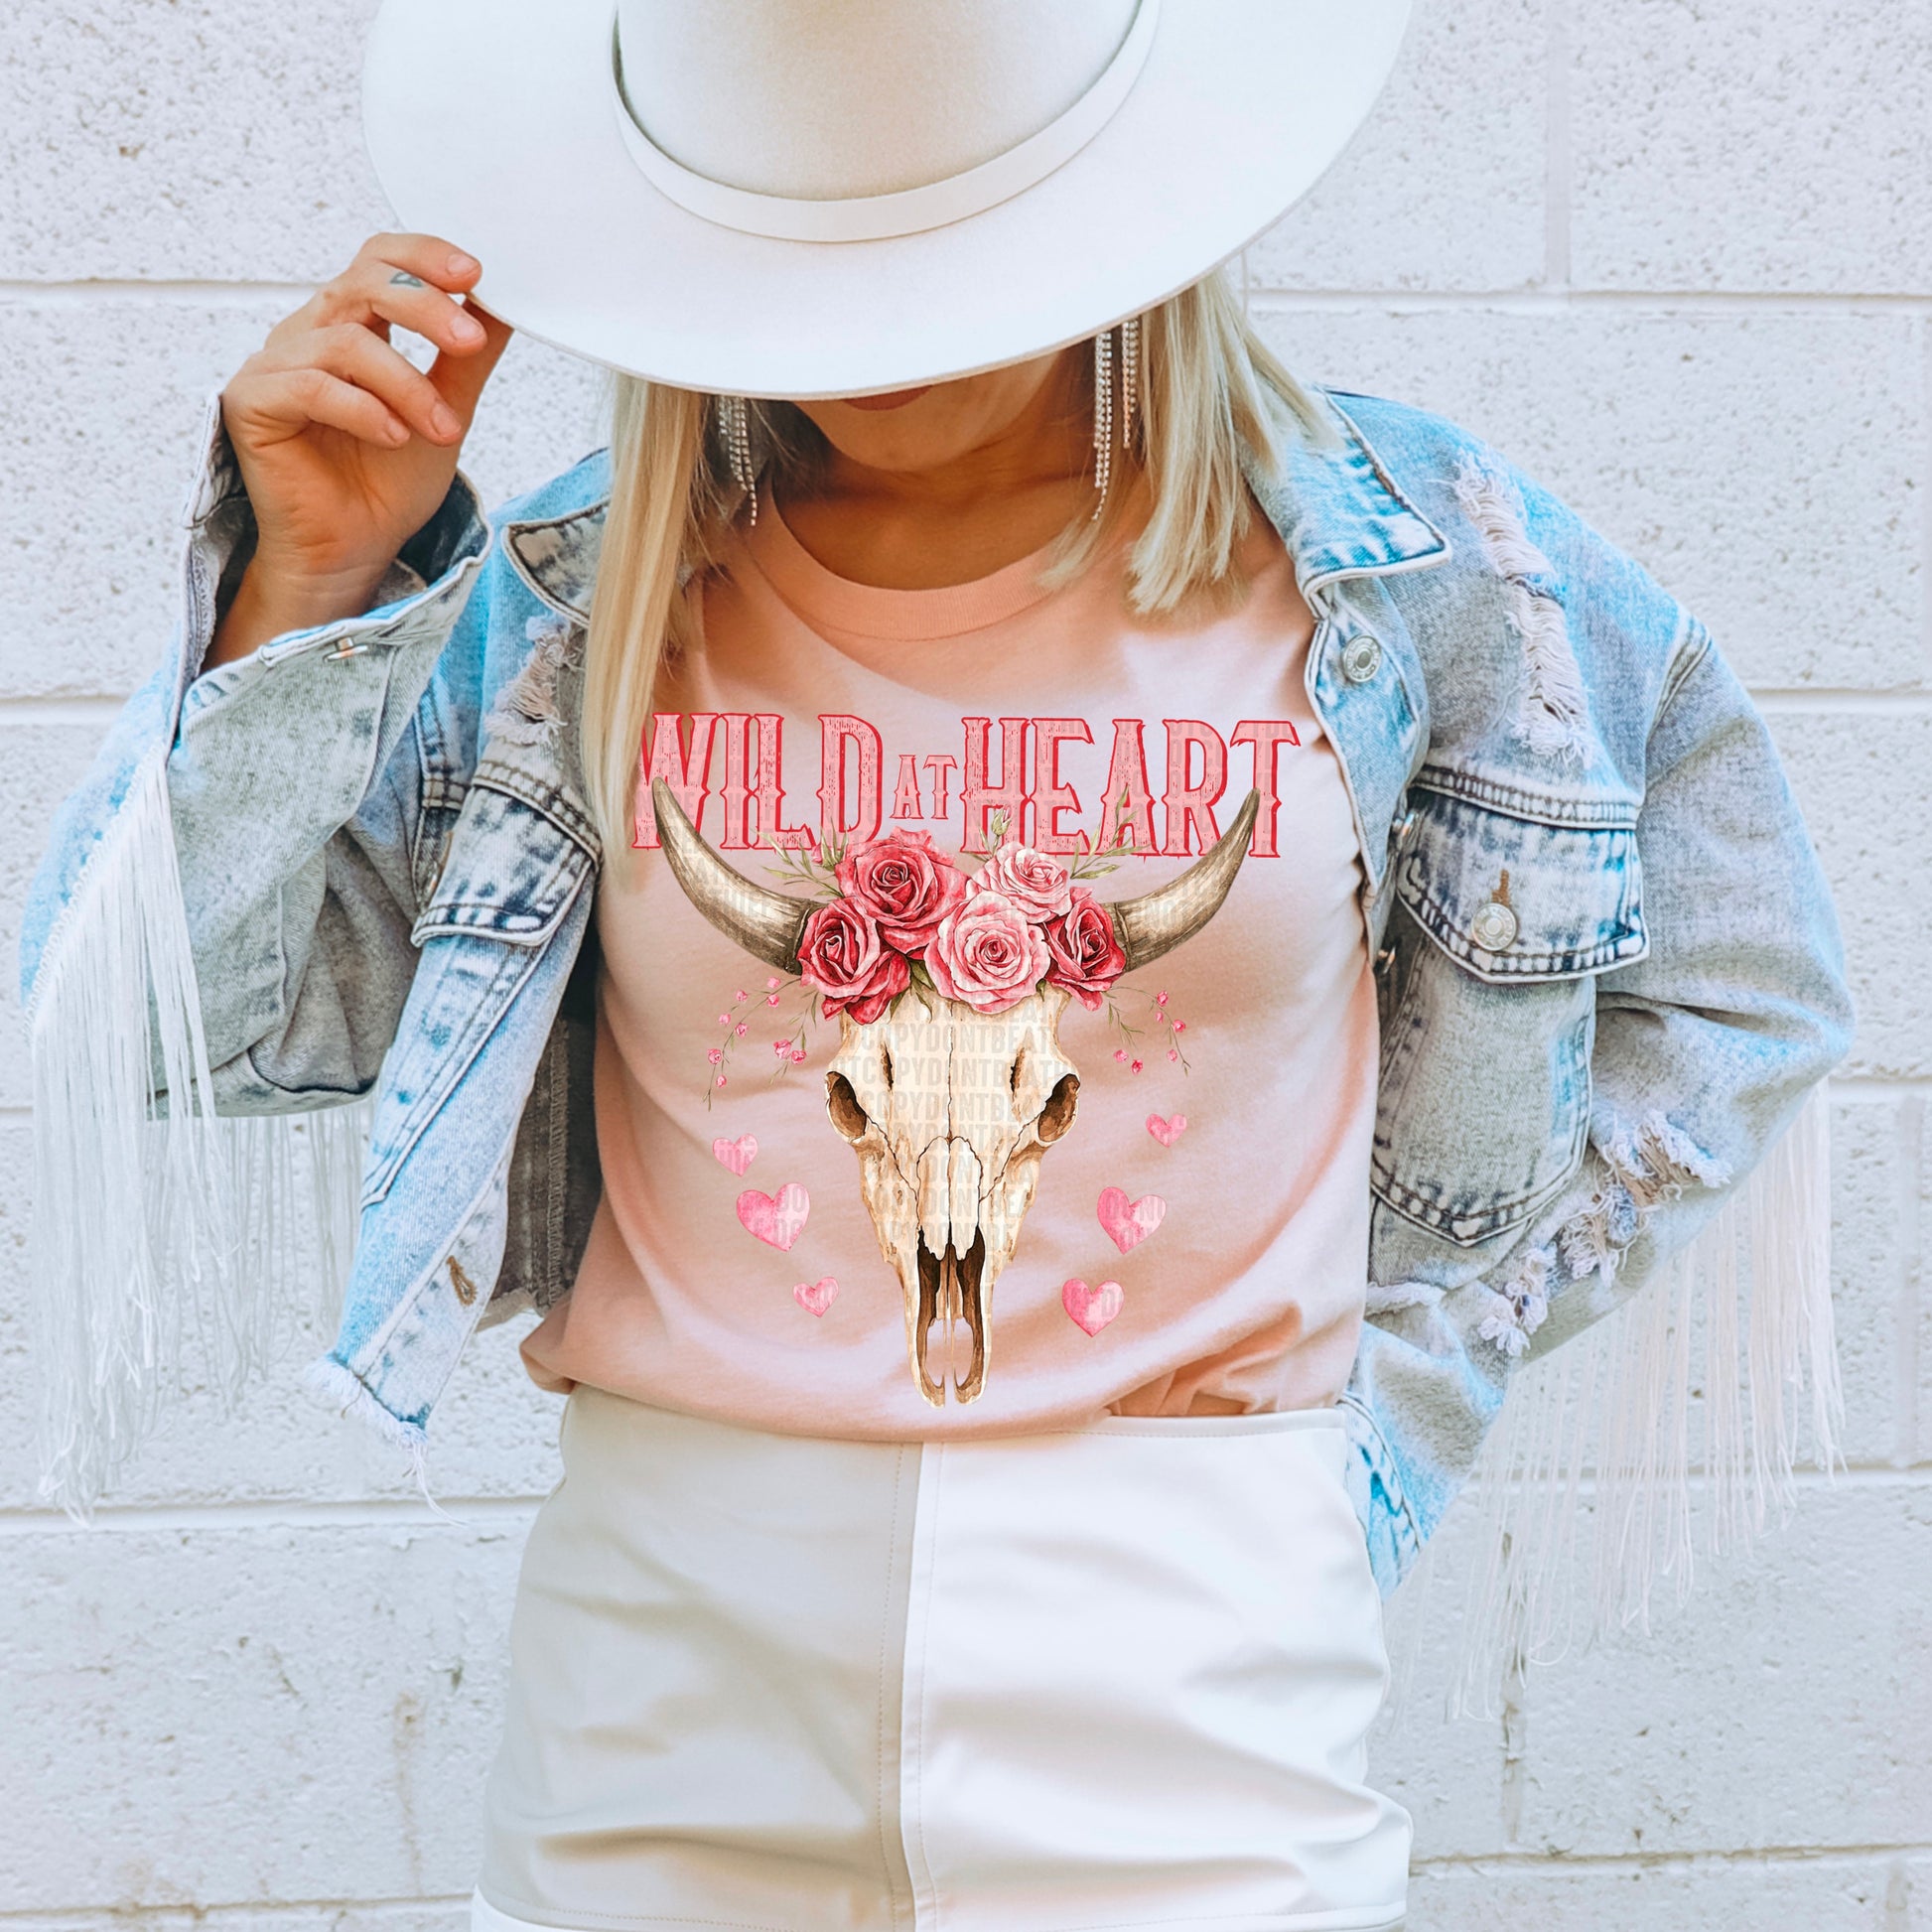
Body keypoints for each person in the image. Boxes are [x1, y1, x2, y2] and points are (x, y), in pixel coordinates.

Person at [19, 3, 1854, 1928]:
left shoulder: (1426, 565)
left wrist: (1391, 1389)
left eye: (937, 235)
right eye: (804, 240)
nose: (880, 324)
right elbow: (172, 1031)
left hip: (1197, 1655)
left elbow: (1746, 987)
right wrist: (305, 593)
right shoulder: (570, 596)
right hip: (664, 1672)